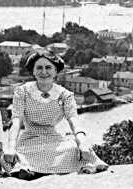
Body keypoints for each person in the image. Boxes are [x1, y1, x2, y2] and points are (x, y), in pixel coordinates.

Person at [8, 50, 108, 180]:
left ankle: (34, 171)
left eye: (48, 67)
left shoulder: (65, 95)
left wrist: (82, 142)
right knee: (11, 157)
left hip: (54, 140)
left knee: (74, 148)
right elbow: (16, 122)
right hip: (28, 141)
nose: (44, 72)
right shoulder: (22, 92)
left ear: (56, 71)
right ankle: (28, 169)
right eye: (39, 67)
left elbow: (74, 121)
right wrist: (10, 147)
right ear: (33, 71)